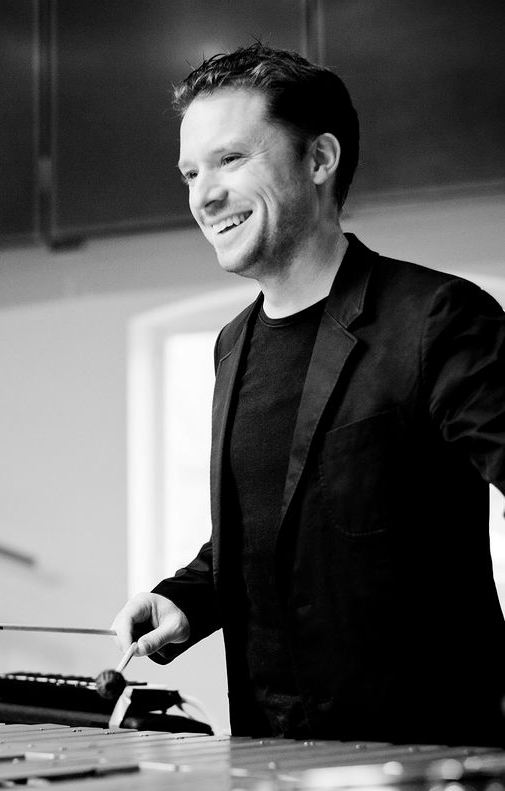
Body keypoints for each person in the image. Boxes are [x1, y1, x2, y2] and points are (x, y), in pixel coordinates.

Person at [111, 43, 505, 747]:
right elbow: (273, 525)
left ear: (319, 159)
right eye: (191, 172)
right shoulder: (232, 345)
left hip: (425, 762)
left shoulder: (436, 318)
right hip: (269, 757)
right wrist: (186, 601)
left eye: (231, 159)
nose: (203, 196)